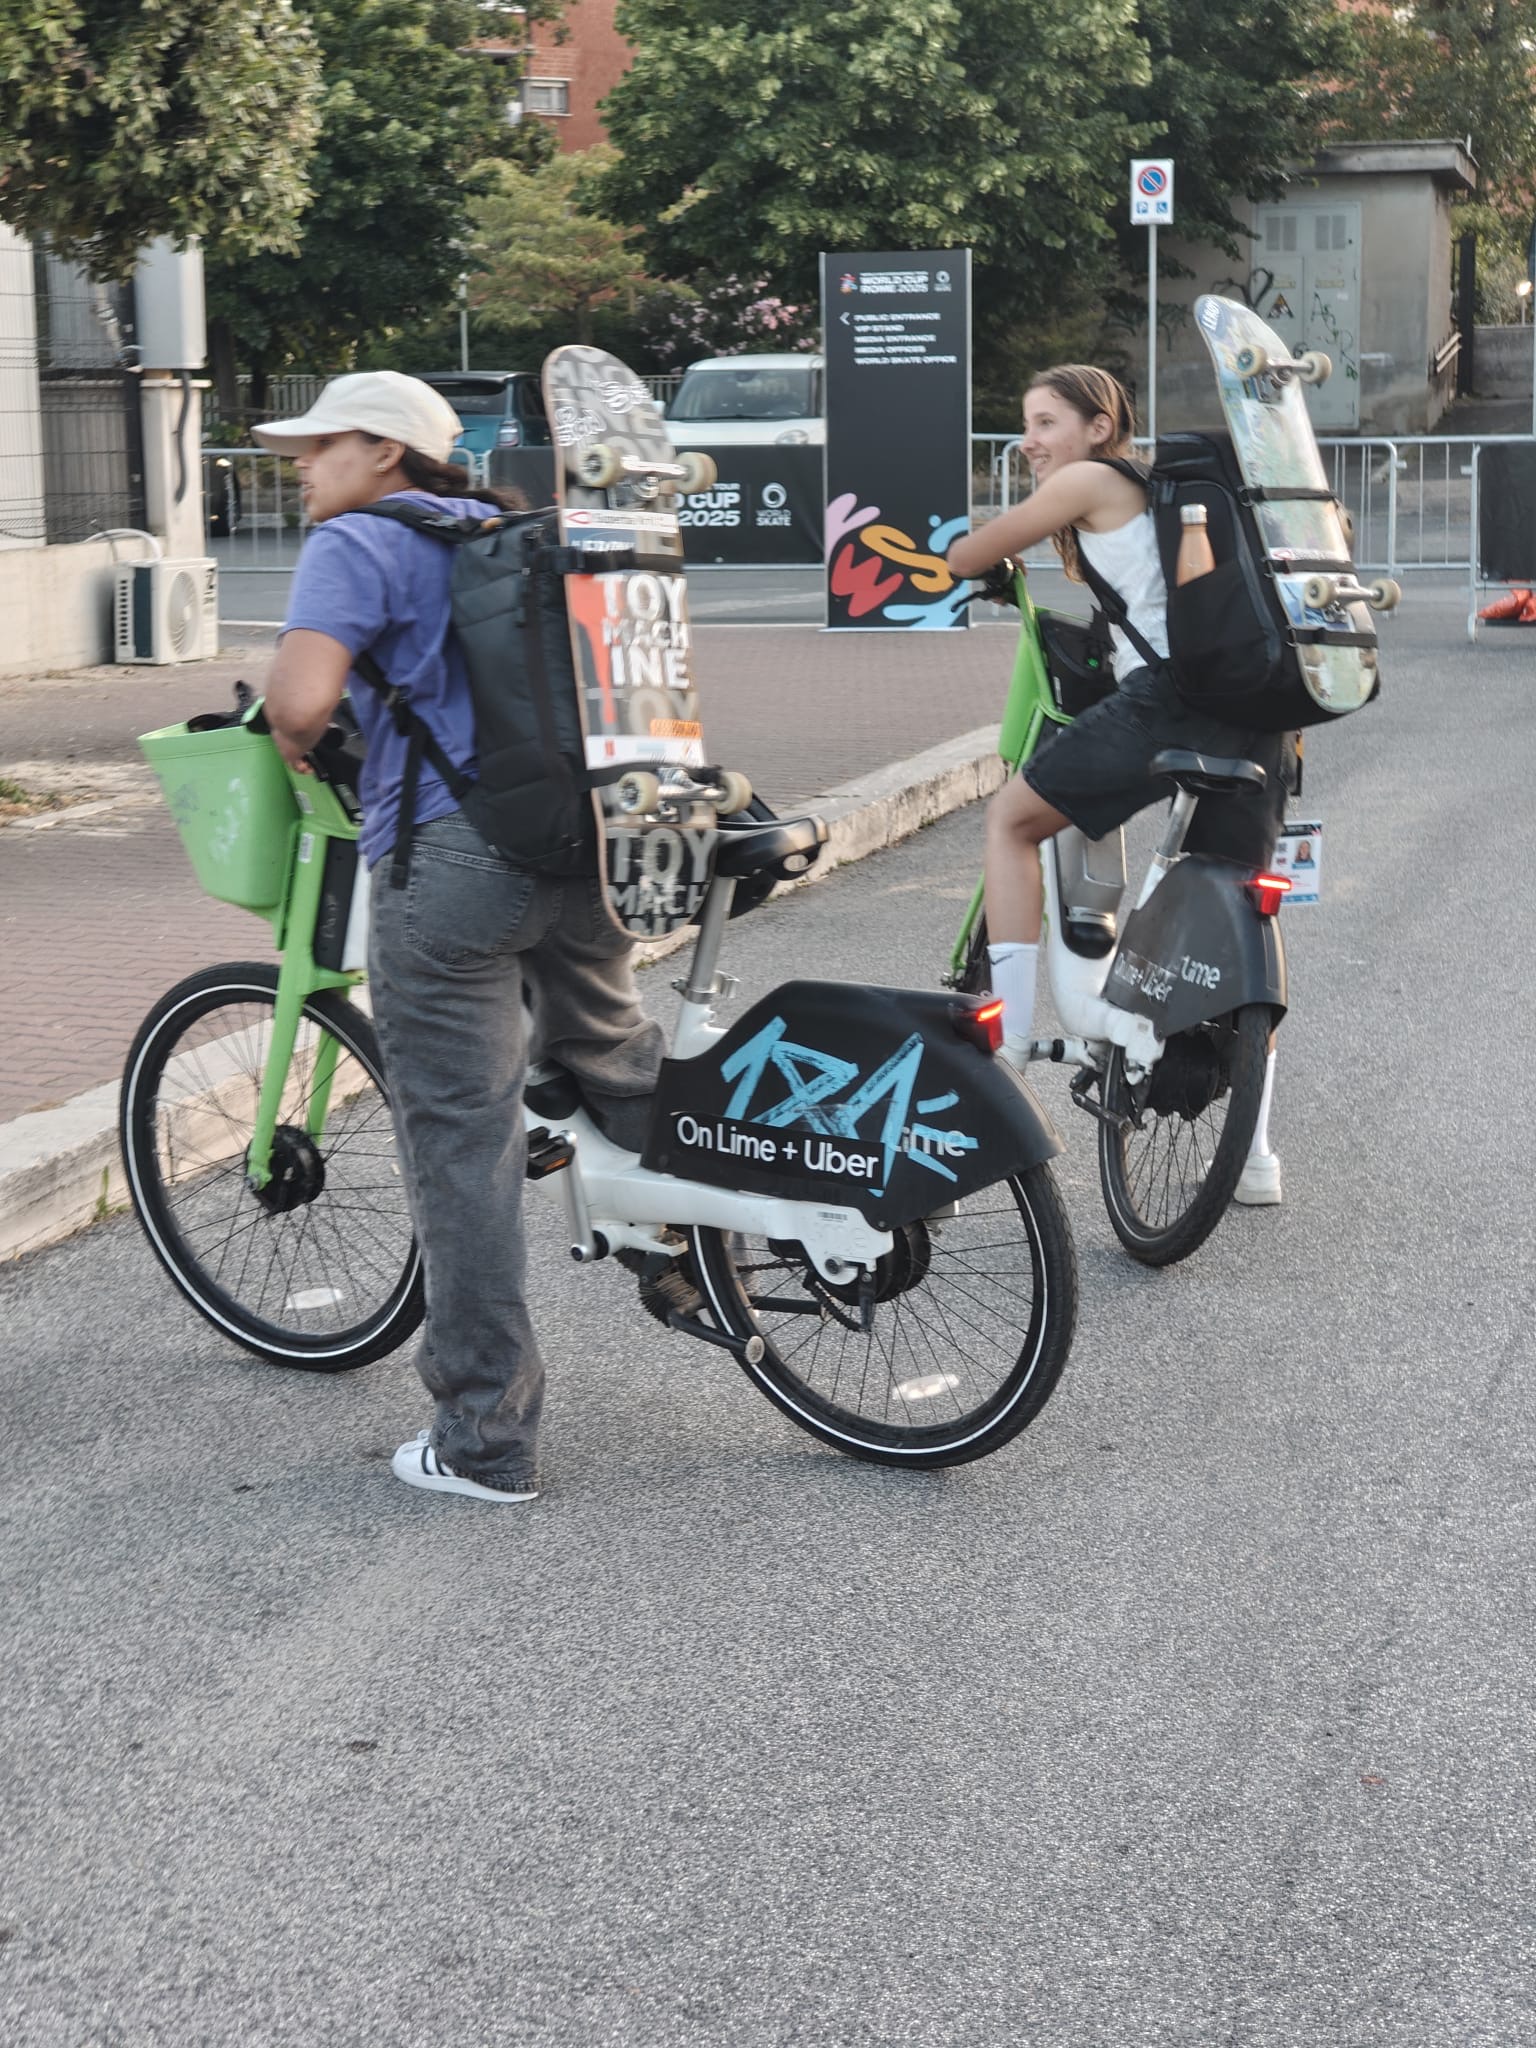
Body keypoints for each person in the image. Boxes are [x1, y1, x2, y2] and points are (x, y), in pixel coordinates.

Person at [257, 372, 666, 1503]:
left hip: (451, 869)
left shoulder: (357, 541)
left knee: (461, 1145)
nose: (303, 465)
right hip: (586, 848)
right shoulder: (509, 529)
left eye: (320, 444)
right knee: (615, 1058)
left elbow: (297, 706)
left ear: (385, 452)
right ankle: (694, 1246)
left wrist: (304, 737)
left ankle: (484, 1440)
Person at [946, 364, 1293, 1207]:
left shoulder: (1095, 480)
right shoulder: (1180, 499)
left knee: (1012, 823)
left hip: (1167, 705)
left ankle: (1016, 1035)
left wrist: (957, 552)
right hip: (1257, 717)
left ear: (1100, 427)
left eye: (1043, 423)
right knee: (1238, 905)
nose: (1028, 441)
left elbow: (970, 555)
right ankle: (1254, 1159)